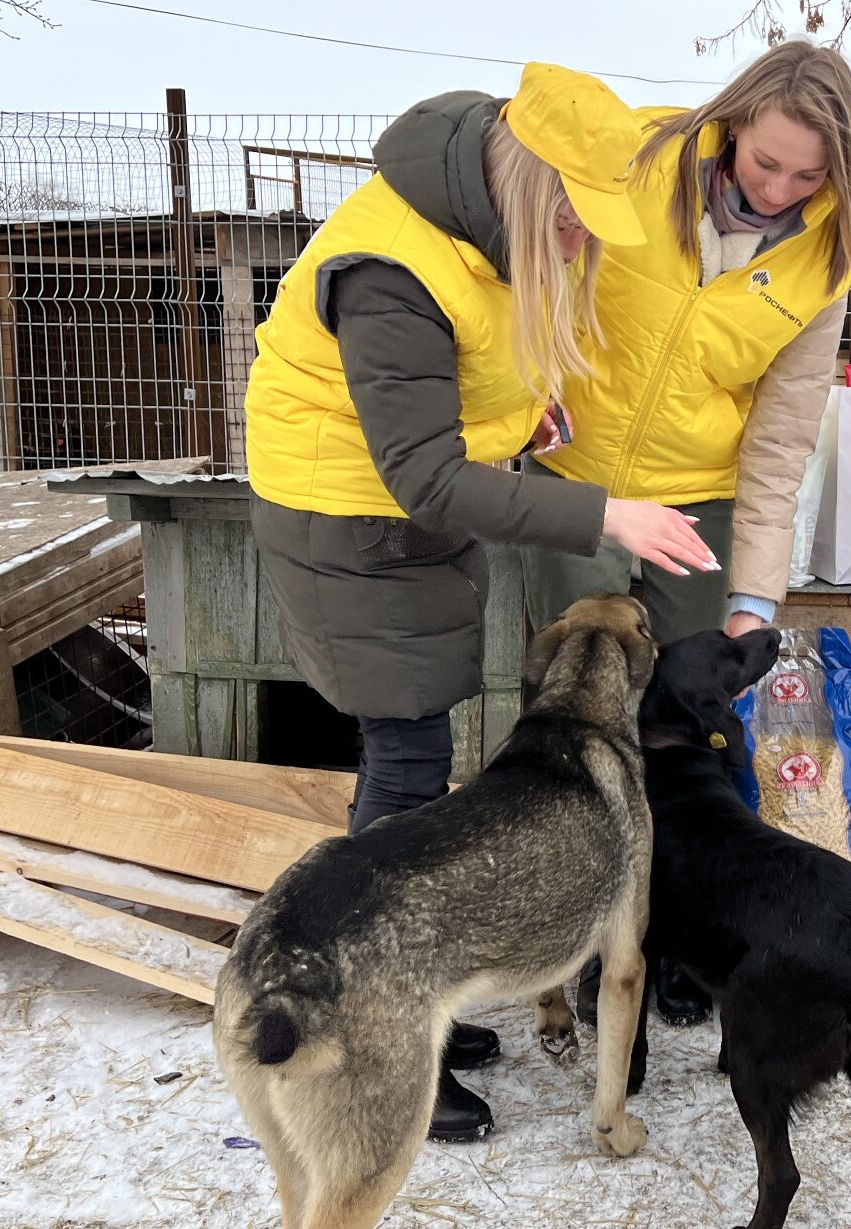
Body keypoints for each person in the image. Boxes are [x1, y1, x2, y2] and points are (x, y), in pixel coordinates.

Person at [241, 62, 715, 1144]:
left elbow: (459, 395)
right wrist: (607, 514)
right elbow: (424, 474)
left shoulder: (484, 231)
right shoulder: (391, 268)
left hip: (401, 522)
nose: (580, 246)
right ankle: (370, 1027)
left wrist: (521, 427)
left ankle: (427, 1012)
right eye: (574, 224)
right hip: (349, 524)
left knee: (419, 758)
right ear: (531, 187)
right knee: (406, 764)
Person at [525, 42, 851, 1026]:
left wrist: (751, 600)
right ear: (734, 125)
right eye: (767, 162)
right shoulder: (641, 162)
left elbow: (778, 446)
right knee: (571, 716)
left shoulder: (825, 259)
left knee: (699, 723)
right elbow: (537, 273)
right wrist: (529, 401)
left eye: (811, 176)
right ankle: (569, 956)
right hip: (573, 478)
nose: (779, 190)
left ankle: (690, 940)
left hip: (699, 497)